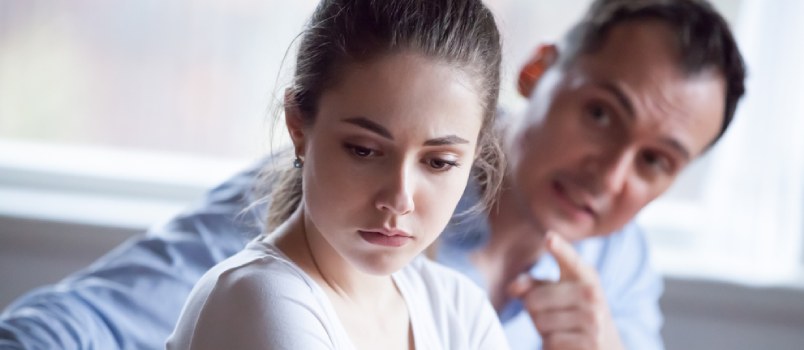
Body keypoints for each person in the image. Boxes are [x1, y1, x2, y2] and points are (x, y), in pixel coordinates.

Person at [0, 0, 745, 349]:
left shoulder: (617, 270)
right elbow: (74, 326)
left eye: (655, 161)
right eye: (601, 115)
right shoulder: (299, 219)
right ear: (537, 71)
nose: (609, 175)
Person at [167, 0, 510, 349]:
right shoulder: (258, 300)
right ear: (298, 126)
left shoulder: (460, 312)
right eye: (364, 150)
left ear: (475, 155)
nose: (398, 199)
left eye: (439, 162)